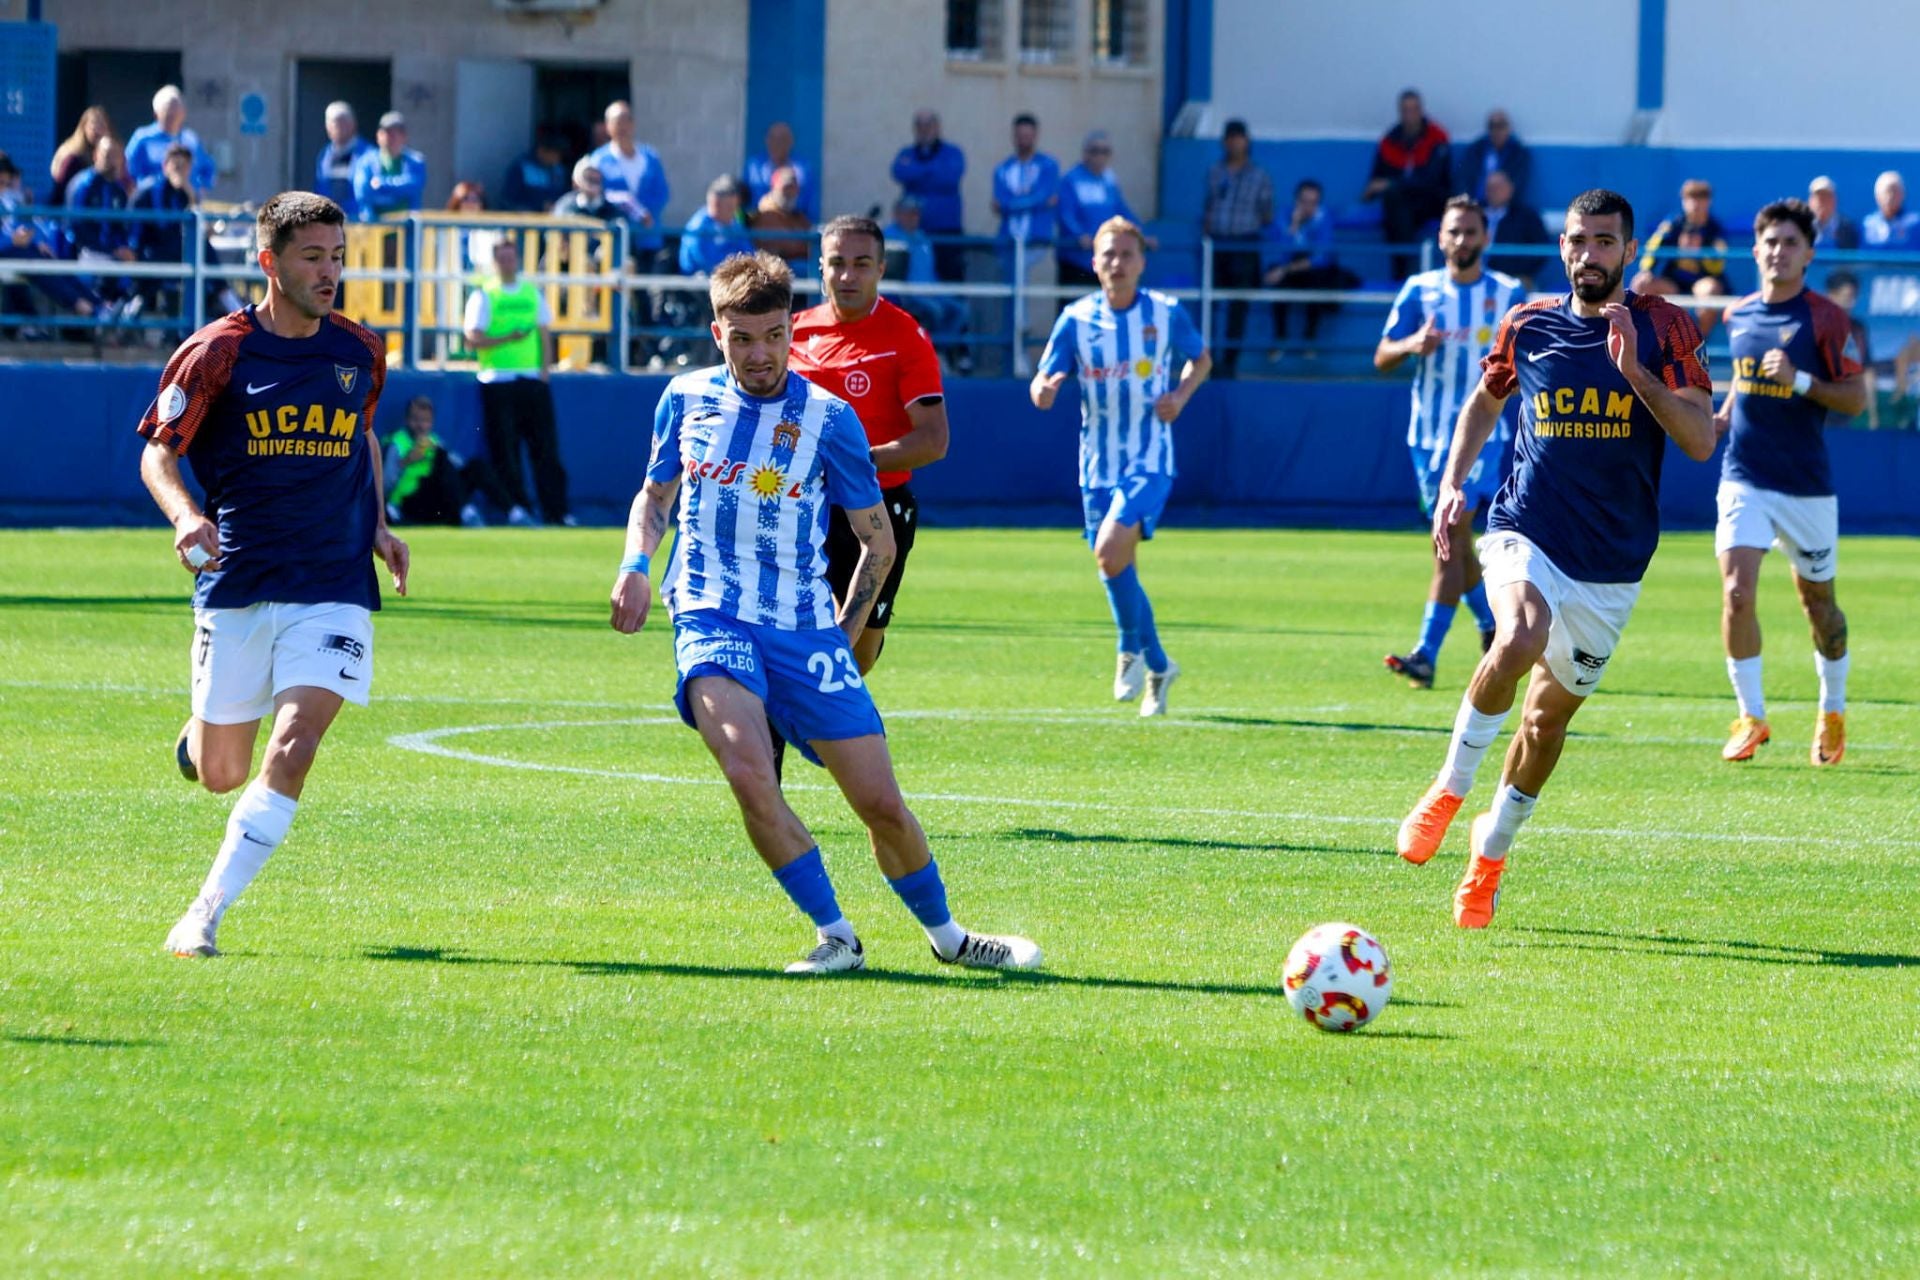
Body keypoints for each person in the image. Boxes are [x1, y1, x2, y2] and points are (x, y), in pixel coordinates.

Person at [608, 251, 1041, 976]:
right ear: (718, 333)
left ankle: (949, 937)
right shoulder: (683, 399)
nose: (760, 354)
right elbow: (655, 497)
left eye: (774, 336)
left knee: (880, 805)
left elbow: (878, 540)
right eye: (742, 338)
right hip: (711, 616)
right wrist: (634, 567)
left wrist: (842, 635)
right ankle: (836, 933)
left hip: (804, 629)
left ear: (789, 332)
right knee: (749, 772)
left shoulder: (828, 419)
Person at [1394, 189, 1715, 928]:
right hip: (1524, 530)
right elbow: (1483, 400)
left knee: (1545, 725)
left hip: (1613, 564)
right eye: (1577, 240)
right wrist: (1452, 484)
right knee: (1518, 634)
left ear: (1628, 252)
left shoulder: (1665, 327)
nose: (1587, 255)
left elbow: (1700, 442)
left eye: (1604, 242)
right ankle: (1448, 789)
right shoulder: (1528, 324)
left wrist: (1636, 373)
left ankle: (1491, 850)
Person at [138, 190, 408, 957]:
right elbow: (158, 452)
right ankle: (199, 743)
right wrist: (188, 518)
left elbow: (363, 441)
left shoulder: (360, 350)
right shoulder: (218, 351)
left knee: (294, 743)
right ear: (270, 262)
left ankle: (203, 913)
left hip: (332, 584)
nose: (330, 274)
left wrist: (380, 526)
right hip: (240, 581)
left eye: (338, 257)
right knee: (222, 771)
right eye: (312, 258)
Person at [1030, 217, 1212, 716]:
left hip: (1150, 457)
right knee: (1116, 564)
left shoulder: (1165, 313)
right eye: (1108, 254)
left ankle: (1127, 648)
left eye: (1126, 254)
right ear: (1094, 262)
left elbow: (1202, 359)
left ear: (1141, 262)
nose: (1117, 263)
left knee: (1110, 551)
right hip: (1097, 465)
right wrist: (1043, 390)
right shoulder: (1077, 319)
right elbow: (1045, 377)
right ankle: (1158, 663)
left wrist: (1180, 394)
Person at [1712, 199, 1867, 767]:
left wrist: (1800, 379)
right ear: (1756, 250)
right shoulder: (1739, 314)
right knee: (1736, 591)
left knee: (1819, 606)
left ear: (1809, 253)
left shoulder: (1825, 318)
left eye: (1790, 243)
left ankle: (1832, 708)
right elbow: (1743, 376)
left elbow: (1855, 396)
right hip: (1743, 475)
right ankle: (1751, 717)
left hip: (1805, 487)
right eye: (1770, 242)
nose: (1779, 251)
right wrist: (1726, 410)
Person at [1375, 196, 1526, 690]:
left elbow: (1532, 358)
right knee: (1456, 544)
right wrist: (1411, 344)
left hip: (1483, 436)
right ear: (1440, 238)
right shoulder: (1420, 290)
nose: (1461, 240)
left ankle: (1426, 652)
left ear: (1485, 237)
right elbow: (1381, 355)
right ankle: (1492, 626)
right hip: (1428, 439)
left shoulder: (1507, 293)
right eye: (1453, 232)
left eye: (1470, 231)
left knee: (1450, 537)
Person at [790, 214, 950, 676]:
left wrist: (854, 464)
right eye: (836, 263)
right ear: (820, 267)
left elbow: (933, 439)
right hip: (799, 505)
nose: (847, 275)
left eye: (861, 264)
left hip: (876, 509)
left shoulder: (904, 337)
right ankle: (777, 732)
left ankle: (839, 732)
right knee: (792, 630)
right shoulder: (793, 331)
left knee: (856, 656)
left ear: (881, 269)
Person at [462, 237, 568, 527]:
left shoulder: (532, 293)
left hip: (531, 379)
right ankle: (517, 508)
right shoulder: (485, 294)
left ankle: (556, 511)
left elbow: (544, 332)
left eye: (512, 257)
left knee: (545, 449)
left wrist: (545, 371)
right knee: (505, 450)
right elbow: (472, 338)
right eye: (503, 258)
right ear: (495, 262)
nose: (508, 263)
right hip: (497, 379)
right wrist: (506, 339)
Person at [1201, 119, 1274, 378]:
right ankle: (1206, 363)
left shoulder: (1259, 176)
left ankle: (1230, 363)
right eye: (1230, 138)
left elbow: (1267, 215)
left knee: (1238, 306)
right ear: (1224, 142)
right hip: (1216, 245)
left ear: (1247, 141)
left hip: (1244, 243)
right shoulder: (1215, 172)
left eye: (1239, 137)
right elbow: (1208, 207)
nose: (1234, 142)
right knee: (1210, 305)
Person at [0, 151, 104, 326]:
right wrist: (12, 241)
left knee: (46, 258)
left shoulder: (8, 202)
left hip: (17, 252)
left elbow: (27, 226)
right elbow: (9, 239)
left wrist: (35, 242)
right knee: (32, 259)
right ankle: (86, 308)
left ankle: (98, 306)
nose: (2, 187)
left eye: (4, 183)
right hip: (11, 253)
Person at [382, 396, 518, 527]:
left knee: (476, 466)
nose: (420, 426)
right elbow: (384, 484)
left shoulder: (435, 442)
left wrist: (441, 454)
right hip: (410, 500)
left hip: (439, 499)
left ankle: (514, 513)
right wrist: (406, 461)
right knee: (441, 458)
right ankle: (466, 512)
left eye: (425, 421)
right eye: (416, 420)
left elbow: (457, 469)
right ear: (407, 420)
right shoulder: (396, 443)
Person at [1363, 90, 1451, 276]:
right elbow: (1376, 180)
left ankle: (1406, 270)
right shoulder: (1389, 141)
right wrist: (1374, 190)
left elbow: (1432, 180)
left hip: (1432, 202)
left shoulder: (1437, 137)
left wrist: (1393, 185)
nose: (1410, 115)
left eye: (1414, 109)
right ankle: (1402, 272)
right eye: (1405, 110)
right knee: (1394, 205)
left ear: (1421, 110)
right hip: (1403, 207)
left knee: (1396, 197)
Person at [1262, 178, 1355, 349]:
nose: (1308, 207)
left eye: (1313, 202)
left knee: (1317, 281)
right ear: (1296, 201)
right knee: (1278, 284)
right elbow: (1278, 252)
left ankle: (1310, 339)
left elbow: (1320, 258)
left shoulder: (1323, 218)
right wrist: (1294, 226)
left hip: (1310, 271)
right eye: (1304, 201)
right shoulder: (1284, 216)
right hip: (1288, 269)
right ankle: (1279, 338)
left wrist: (1285, 269)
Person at [884, 195, 973, 371]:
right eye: (908, 213)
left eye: (916, 214)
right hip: (908, 293)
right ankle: (934, 354)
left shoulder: (922, 237)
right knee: (936, 311)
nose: (913, 218)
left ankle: (943, 351)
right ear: (897, 214)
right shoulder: (889, 237)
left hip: (932, 291)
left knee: (961, 310)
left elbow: (930, 271)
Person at [1056, 131, 1145, 293]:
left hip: (1105, 260)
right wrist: (1078, 235)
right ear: (1085, 154)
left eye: (1105, 152)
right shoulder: (1071, 179)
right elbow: (1065, 213)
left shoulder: (1109, 180)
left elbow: (1121, 210)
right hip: (1077, 260)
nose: (1100, 156)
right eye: (1095, 151)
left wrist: (1140, 233)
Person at [890, 109, 967, 283]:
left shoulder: (953, 153)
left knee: (950, 282)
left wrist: (917, 172)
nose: (924, 130)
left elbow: (950, 177)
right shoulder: (906, 153)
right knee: (912, 282)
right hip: (913, 234)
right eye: (919, 125)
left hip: (946, 232)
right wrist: (933, 169)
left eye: (929, 125)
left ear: (938, 127)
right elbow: (898, 171)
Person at [590, 101, 670, 263]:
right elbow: (598, 196)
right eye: (616, 122)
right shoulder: (598, 159)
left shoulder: (650, 157)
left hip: (648, 237)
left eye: (626, 121)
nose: (622, 127)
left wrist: (643, 214)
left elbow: (662, 193)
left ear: (633, 124)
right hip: (615, 239)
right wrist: (629, 211)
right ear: (607, 126)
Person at [130, 144, 199, 327]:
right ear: (165, 166)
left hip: (174, 251)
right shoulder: (153, 189)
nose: (180, 171)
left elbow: (198, 226)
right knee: (199, 254)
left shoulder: (185, 192)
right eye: (176, 166)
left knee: (202, 252)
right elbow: (162, 227)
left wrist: (191, 197)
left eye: (184, 167)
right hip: (148, 251)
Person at [1633, 179, 1728, 299]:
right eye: (1690, 198)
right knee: (1641, 282)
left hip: (1702, 280)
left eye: (1700, 198)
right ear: (1683, 201)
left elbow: (1717, 266)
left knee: (1710, 290)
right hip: (1673, 282)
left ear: (1709, 202)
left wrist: (1698, 253)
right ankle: (1638, 318)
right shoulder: (1673, 224)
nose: (1695, 204)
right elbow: (1653, 248)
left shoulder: (1715, 229)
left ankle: (1693, 319)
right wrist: (1647, 270)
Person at [126, 86, 216, 195]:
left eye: (176, 111)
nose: (173, 116)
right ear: (156, 114)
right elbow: (128, 170)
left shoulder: (191, 139)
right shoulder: (142, 138)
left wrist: (199, 189)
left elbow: (208, 169)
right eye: (168, 112)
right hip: (153, 204)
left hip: (185, 202)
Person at [1823, 270, 1877, 428]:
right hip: (1819, 406)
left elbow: (1866, 370)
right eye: (1846, 297)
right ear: (1831, 295)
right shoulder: (1817, 326)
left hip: (1848, 407)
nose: (1850, 302)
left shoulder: (1858, 329)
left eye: (1853, 297)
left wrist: (1873, 415)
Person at [351, 112, 427, 222]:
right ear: (378, 136)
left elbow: (413, 185)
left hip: (407, 228)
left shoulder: (416, 161)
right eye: (386, 132)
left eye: (395, 132)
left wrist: (382, 184)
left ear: (404, 136)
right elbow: (362, 193)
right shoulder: (365, 162)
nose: (390, 137)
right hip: (376, 227)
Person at [1481, 169, 1550, 286]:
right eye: (1490, 188)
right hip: (1478, 275)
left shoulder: (1527, 216)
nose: (1494, 192)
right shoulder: (1476, 213)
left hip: (1514, 277)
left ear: (1510, 189)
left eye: (1498, 187)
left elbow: (1542, 249)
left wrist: (1522, 272)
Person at [1451, 109, 1530, 204]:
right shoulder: (1476, 150)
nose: (1496, 131)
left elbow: (1516, 184)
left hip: (1503, 207)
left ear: (1509, 128)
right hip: (1474, 205)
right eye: (1492, 126)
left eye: (1501, 126)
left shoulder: (1518, 154)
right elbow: (1462, 178)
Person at [744, 121, 816, 221]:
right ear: (767, 141)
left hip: (794, 225)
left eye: (782, 139)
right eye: (772, 138)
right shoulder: (754, 166)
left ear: (791, 142)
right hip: (760, 225)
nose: (777, 144)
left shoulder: (803, 168)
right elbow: (746, 201)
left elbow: (809, 202)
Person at [313, 101, 373, 219]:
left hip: (360, 223)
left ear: (353, 125)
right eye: (332, 123)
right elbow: (320, 189)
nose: (337, 127)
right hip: (332, 222)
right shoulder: (325, 155)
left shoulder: (369, 155)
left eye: (342, 122)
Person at [49, 105, 114, 205]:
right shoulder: (72, 158)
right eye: (94, 126)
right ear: (84, 127)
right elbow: (59, 193)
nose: (98, 131)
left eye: (102, 126)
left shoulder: (112, 156)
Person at [750, 166, 812, 264]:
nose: (790, 192)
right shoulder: (767, 213)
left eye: (794, 187)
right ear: (773, 187)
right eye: (786, 187)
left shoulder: (793, 213)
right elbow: (789, 245)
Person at [499, 129, 570, 214]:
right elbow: (508, 201)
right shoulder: (521, 168)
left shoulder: (559, 170)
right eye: (555, 154)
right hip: (526, 221)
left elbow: (564, 196)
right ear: (542, 150)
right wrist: (538, 207)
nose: (557, 159)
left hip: (554, 221)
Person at [1862, 170, 1919, 249]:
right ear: (1877, 196)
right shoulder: (1867, 225)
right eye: (1887, 191)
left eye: (1895, 191)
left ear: (1903, 194)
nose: (1890, 196)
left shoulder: (1915, 224)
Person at [551, 157, 618, 223]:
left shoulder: (611, 210)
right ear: (576, 182)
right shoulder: (566, 206)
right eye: (589, 178)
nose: (593, 183)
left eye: (597, 180)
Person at [1807, 176, 1859, 251]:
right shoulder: (1801, 228)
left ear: (1834, 200)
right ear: (1810, 201)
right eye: (1818, 198)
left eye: (1826, 197)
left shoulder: (1848, 229)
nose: (1821, 203)